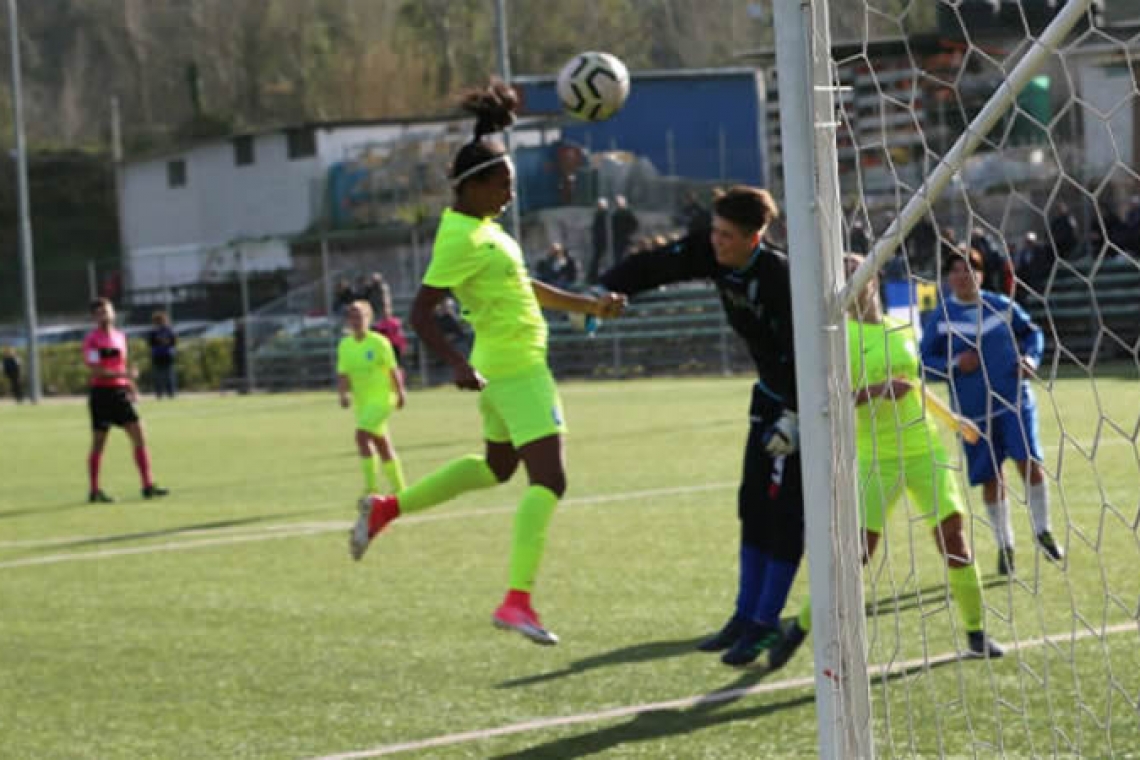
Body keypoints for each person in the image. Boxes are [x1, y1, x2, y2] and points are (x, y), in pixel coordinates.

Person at [349, 80, 626, 646]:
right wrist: (452, 361)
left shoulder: (484, 229)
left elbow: (527, 287)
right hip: (517, 369)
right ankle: (516, 600)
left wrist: (590, 304)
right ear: (472, 187)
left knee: (498, 468)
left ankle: (385, 508)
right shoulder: (461, 239)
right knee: (550, 479)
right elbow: (422, 311)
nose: (510, 193)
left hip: (504, 366)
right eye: (503, 183)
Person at [768, 254, 1005, 671]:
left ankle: (976, 632)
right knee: (856, 556)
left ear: (873, 278)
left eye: (856, 274)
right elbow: (827, 402)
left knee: (954, 539)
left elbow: (914, 385)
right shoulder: (837, 336)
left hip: (924, 449)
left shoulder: (901, 326)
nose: (851, 284)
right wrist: (875, 390)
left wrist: (953, 420)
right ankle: (800, 628)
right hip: (875, 456)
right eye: (841, 278)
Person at [598, 186, 803, 667]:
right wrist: (605, 289)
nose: (715, 242)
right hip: (769, 397)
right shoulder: (715, 255)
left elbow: (807, 352)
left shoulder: (780, 278)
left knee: (783, 515)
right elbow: (656, 266)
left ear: (755, 238)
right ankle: (743, 616)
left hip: (804, 405)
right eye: (713, 231)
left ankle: (765, 624)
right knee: (752, 505)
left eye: (726, 235)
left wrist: (796, 417)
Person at [920, 248, 1063, 576]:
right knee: (990, 478)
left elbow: (1033, 334)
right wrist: (955, 364)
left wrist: (1031, 359)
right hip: (973, 414)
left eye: (969, 270)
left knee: (1031, 463)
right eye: (955, 271)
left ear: (980, 275)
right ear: (947, 278)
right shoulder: (941, 317)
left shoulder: (1001, 305)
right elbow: (924, 361)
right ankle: (1005, 547)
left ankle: (1043, 531)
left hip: (1014, 401)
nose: (962, 276)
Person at [82, 298, 169, 503]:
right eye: (100, 312)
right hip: (101, 395)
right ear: (94, 317)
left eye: (107, 311)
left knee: (140, 436)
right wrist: (125, 375)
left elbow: (122, 365)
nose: (105, 315)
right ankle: (94, 491)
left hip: (120, 394)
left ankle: (147, 485)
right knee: (98, 444)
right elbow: (96, 371)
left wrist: (131, 387)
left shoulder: (120, 337)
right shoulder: (92, 340)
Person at [338, 299, 407, 497]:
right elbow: (343, 373)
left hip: (383, 398)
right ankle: (401, 489)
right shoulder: (345, 345)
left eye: (360, 316)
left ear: (369, 318)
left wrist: (400, 392)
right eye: (352, 317)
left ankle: (371, 488)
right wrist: (343, 394)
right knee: (381, 443)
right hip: (363, 402)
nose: (356, 321)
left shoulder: (379, 342)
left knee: (361, 436)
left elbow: (392, 369)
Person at [372, 284, 408, 365]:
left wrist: (402, 347)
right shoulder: (378, 325)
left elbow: (400, 338)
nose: (385, 310)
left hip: (394, 348)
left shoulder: (395, 323)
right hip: (383, 349)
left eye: (387, 308)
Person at [148, 311, 178, 399]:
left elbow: (173, 342)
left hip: (168, 355)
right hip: (157, 355)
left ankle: (171, 394)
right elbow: (151, 343)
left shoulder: (169, 330)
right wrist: (160, 341)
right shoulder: (153, 332)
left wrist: (164, 341)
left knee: (169, 375)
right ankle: (159, 394)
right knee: (158, 376)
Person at [611, 194, 640, 263]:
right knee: (618, 257)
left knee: (622, 256)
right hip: (618, 238)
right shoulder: (615, 214)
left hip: (623, 238)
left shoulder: (626, 213)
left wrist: (629, 232)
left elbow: (635, 224)